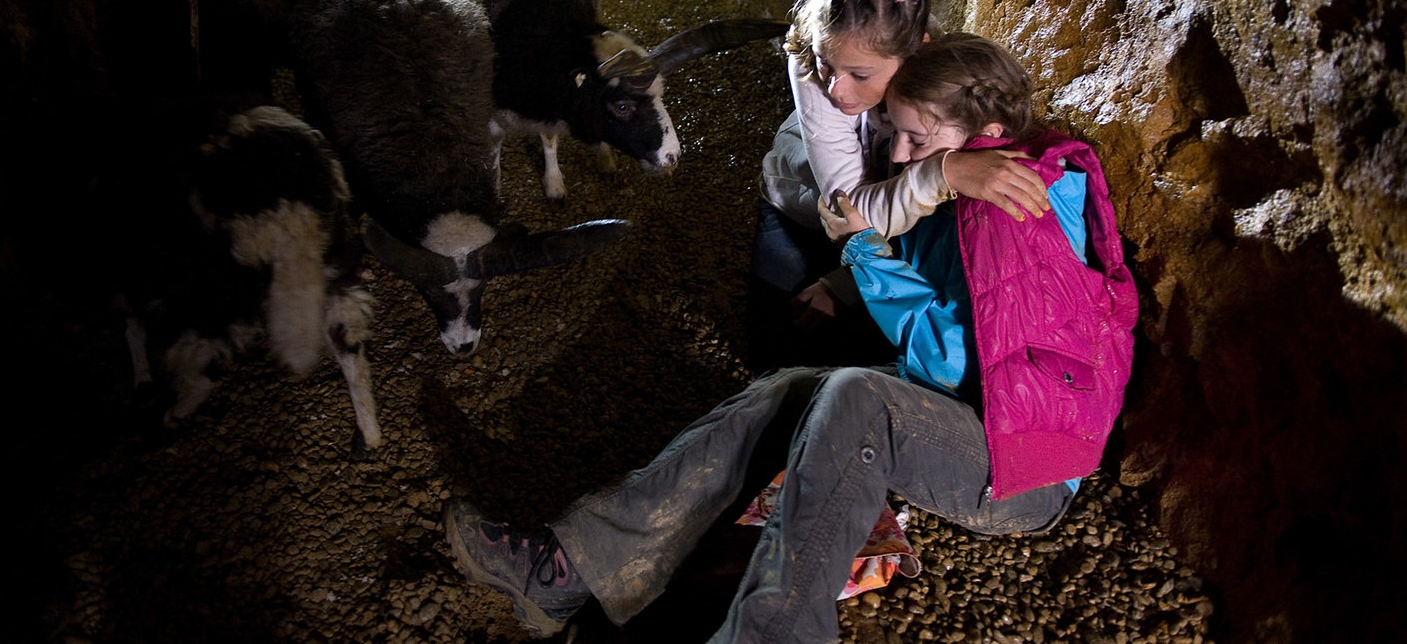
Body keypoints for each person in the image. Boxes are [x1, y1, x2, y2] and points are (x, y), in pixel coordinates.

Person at [445, 33, 1139, 643]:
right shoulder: (971, 177)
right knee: (788, 390)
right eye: (894, 134)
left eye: (916, 140)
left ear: (981, 126)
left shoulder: (1012, 207)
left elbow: (951, 360)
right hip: (985, 422)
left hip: (1025, 467)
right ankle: (564, 569)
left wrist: (863, 256)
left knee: (857, 397)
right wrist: (880, 238)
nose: (898, 155)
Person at [748, 0, 1051, 370]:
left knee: (854, 350)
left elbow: (919, 227)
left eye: (860, 75)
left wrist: (847, 281)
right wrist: (943, 172)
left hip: (888, 228)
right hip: (799, 204)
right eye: (826, 64)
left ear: (916, 53)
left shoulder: (937, 78)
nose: (835, 89)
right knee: (776, 333)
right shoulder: (812, 69)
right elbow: (847, 213)